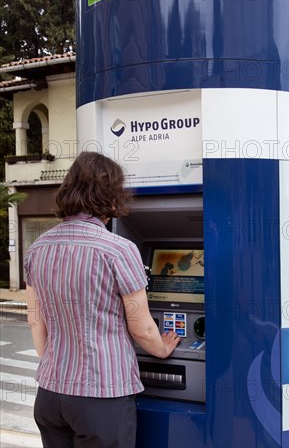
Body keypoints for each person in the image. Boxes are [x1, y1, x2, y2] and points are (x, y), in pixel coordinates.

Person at [25, 152, 180, 447]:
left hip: (49, 395)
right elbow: (142, 328)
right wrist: (161, 349)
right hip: (100, 396)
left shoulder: (37, 249)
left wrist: (56, 368)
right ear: (110, 197)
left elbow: (36, 321)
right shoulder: (118, 250)